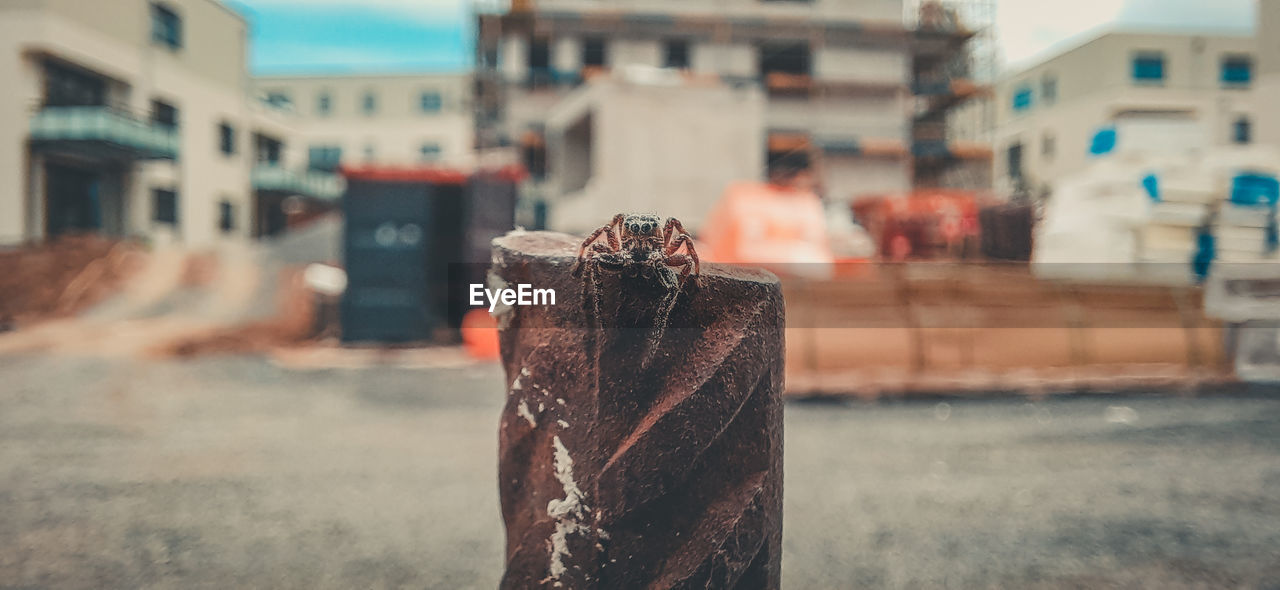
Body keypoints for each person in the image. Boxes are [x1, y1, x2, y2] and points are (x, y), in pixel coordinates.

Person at [698, 150, 835, 279]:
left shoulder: (806, 201)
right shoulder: (746, 197)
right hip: (734, 278)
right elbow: (743, 252)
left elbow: (820, 259)